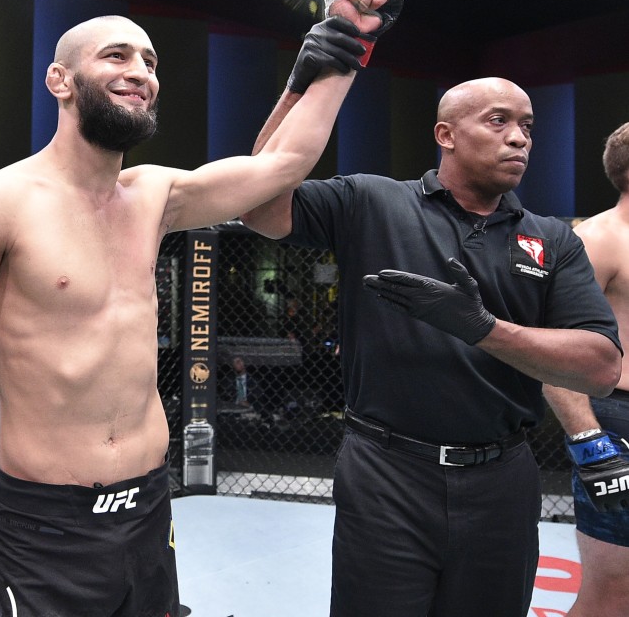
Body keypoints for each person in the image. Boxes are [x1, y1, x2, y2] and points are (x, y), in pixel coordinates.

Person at [0, 0, 398, 617]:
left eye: (149, 61)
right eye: (116, 56)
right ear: (59, 81)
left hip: (149, 508)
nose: (140, 71)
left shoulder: (155, 195)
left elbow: (282, 168)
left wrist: (346, 49)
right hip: (43, 525)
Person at [240, 75, 623, 615]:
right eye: (499, 121)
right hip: (386, 471)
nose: (520, 138)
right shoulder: (372, 200)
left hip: (501, 479)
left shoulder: (552, 239)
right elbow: (257, 204)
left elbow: (602, 368)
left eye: (528, 126)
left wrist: (483, 328)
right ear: (446, 133)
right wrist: (300, 87)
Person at [542, 121, 629, 617]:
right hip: (618, 422)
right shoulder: (597, 239)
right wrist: (588, 440)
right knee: (612, 594)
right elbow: (554, 349)